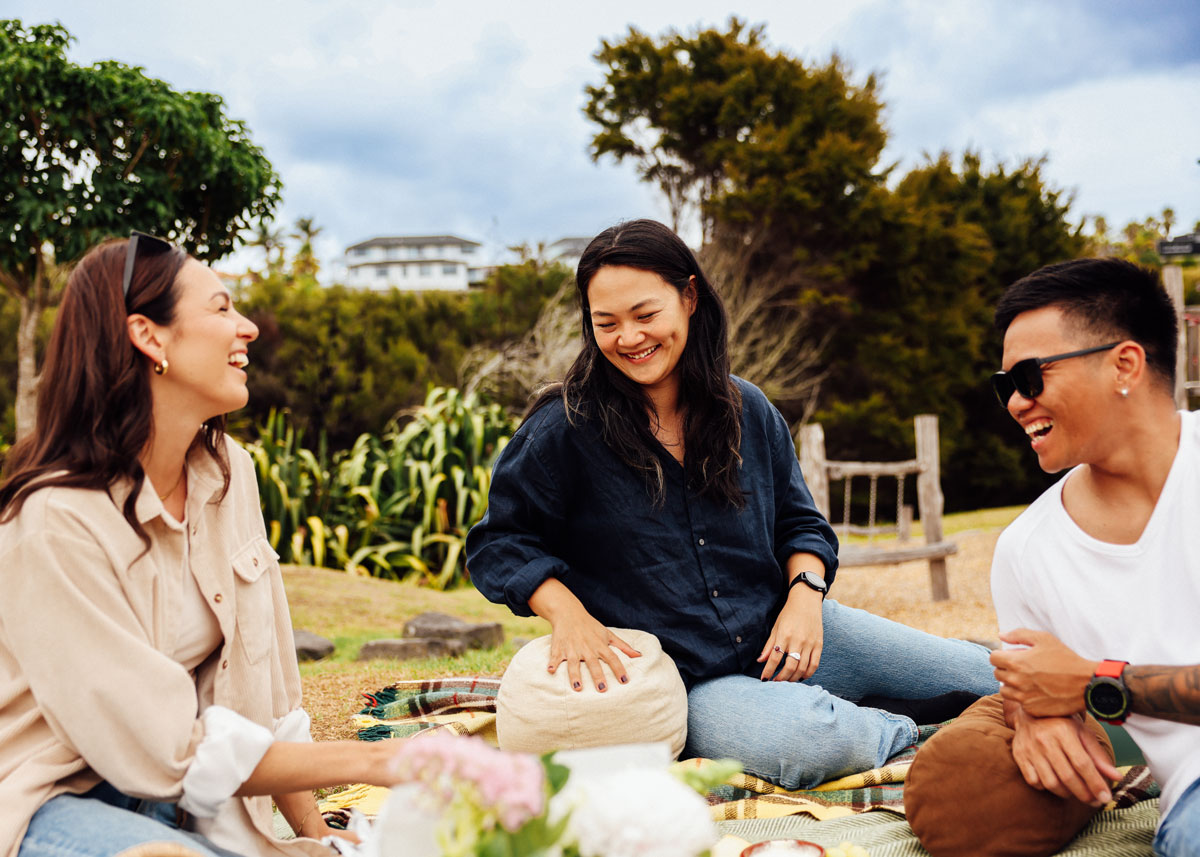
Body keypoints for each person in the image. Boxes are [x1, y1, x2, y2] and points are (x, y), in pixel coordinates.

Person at [465, 219, 998, 790]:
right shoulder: (563, 429)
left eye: (646, 315)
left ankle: (959, 707)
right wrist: (569, 615)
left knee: (985, 675)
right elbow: (499, 542)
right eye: (607, 323)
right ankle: (925, 731)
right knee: (814, 740)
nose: (629, 338)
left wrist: (805, 598)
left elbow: (801, 522)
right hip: (691, 684)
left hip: (791, 634)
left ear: (689, 297)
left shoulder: (749, 408)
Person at [0, 234, 405, 857]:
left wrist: (317, 834)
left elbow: (272, 694)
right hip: (46, 799)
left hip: (189, 804)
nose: (247, 327)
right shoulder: (55, 519)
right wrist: (377, 761)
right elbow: (163, 748)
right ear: (149, 337)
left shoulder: (228, 473)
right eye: (220, 308)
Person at [904, 257, 1200, 857]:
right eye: (1005, 385)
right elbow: (1032, 686)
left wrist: (1099, 684)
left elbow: (1076, 682)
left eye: (1031, 377)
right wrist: (1035, 715)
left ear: (1125, 364)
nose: (1015, 403)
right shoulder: (1026, 552)